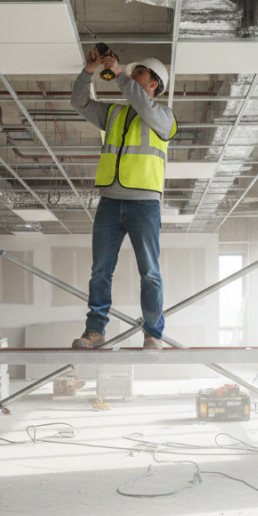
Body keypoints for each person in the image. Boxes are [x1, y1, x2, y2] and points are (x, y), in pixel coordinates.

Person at [69, 48, 177, 350]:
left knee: (150, 273)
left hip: (144, 204)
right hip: (109, 201)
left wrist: (118, 74)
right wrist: (88, 71)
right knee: (100, 271)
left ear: (153, 84)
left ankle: (153, 333)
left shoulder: (164, 117)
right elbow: (79, 102)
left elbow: (144, 107)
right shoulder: (115, 113)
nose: (131, 77)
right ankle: (95, 331)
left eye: (137, 74)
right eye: (130, 73)